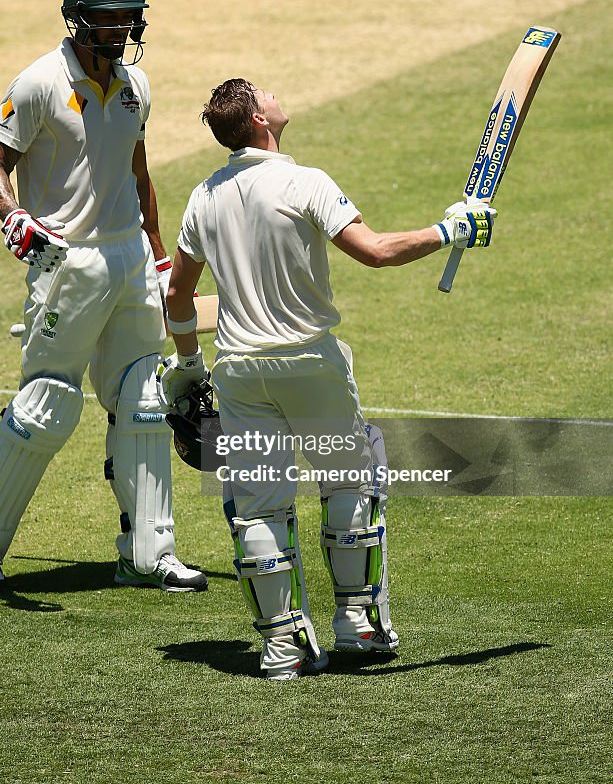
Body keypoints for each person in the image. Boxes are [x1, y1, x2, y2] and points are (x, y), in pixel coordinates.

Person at [161, 78, 495, 680]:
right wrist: (451, 230)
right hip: (310, 365)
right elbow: (376, 251)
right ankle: (358, 626)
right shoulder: (304, 181)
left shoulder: (201, 197)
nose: (279, 96)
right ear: (261, 118)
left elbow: (178, 294)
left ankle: (282, 648)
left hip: (238, 372)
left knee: (258, 508)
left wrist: (188, 364)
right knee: (349, 486)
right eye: (268, 93)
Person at [0, 0, 207, 595]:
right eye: (109, 18)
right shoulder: (39, 83)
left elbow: (138, 173)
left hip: (127, 259)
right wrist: (16, 217)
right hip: (66, 261)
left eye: (129, 18)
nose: (121, 30)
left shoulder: (135, 86)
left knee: (144, 399)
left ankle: (149, 554)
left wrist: (157, 251)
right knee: (46, 407)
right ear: (79, 20)